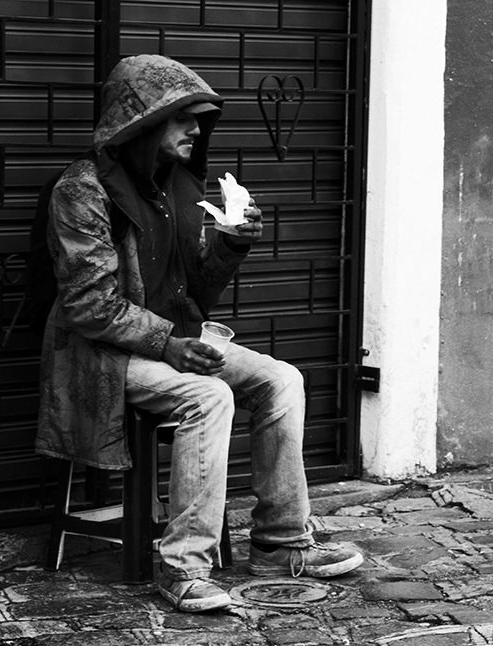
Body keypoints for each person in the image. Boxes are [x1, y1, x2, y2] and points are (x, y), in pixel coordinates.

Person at [34, 54, 363, 613]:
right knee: (208, 395)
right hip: (100, 355)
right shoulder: (82, 191)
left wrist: (232, 244)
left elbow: (196, 295)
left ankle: (281, 544)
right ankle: (183, 568)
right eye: (184, 119)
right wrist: (170, 344)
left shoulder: (177, 187)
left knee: (282, 379)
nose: (196, 130)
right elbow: (91, 307)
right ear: (142, 123)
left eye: (200, 121)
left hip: (174, 340)